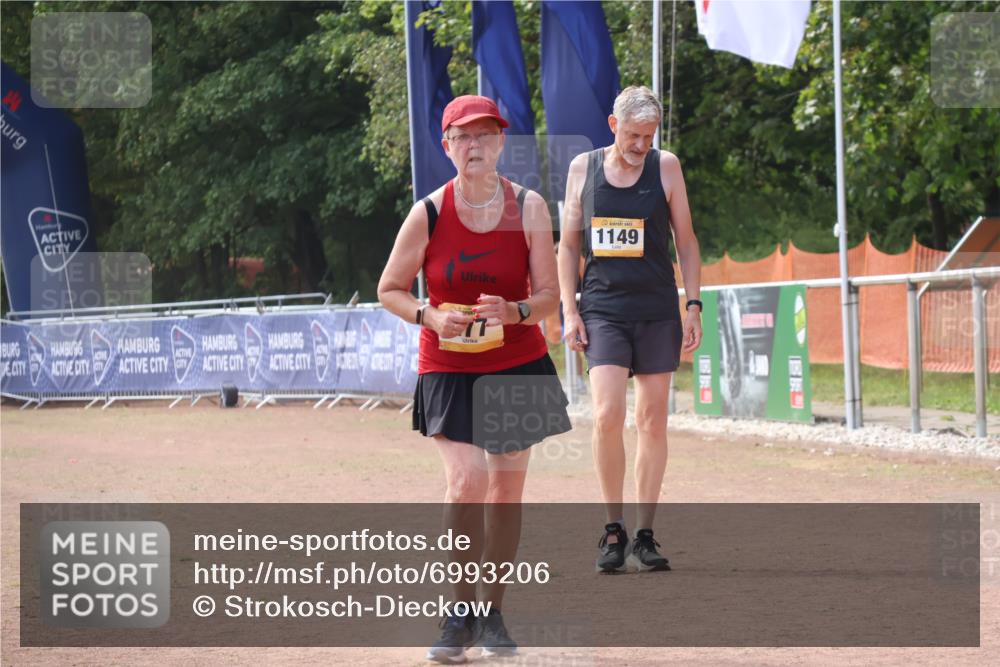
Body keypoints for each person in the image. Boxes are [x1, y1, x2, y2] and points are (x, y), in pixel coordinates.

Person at [378, 95, 570, 663]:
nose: (475, 145)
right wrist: (429, 315)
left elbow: (549, 296)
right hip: (450, 366)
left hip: (516, 362)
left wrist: (515, 310)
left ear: (501, 142)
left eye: (485, 134)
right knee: (467, 482)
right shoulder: (429, 213)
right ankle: (458, 614)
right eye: (463, 137)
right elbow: (389, 289)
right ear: (447, 147)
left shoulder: (529, 207)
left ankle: (492, 614)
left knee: (505, 490)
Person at [557, 85, 702, 574]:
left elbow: (686, 241)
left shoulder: (667, 167)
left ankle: (644, 533)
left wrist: (693, 305)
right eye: (633, 135)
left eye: (649, 135)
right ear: (613, 125)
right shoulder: (583, 168)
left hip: (657, 308)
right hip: (603, 309)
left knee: (652, 420)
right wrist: (570, 310)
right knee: (606, 414)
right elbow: (568, 246)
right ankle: (613, 528)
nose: (641, 144)